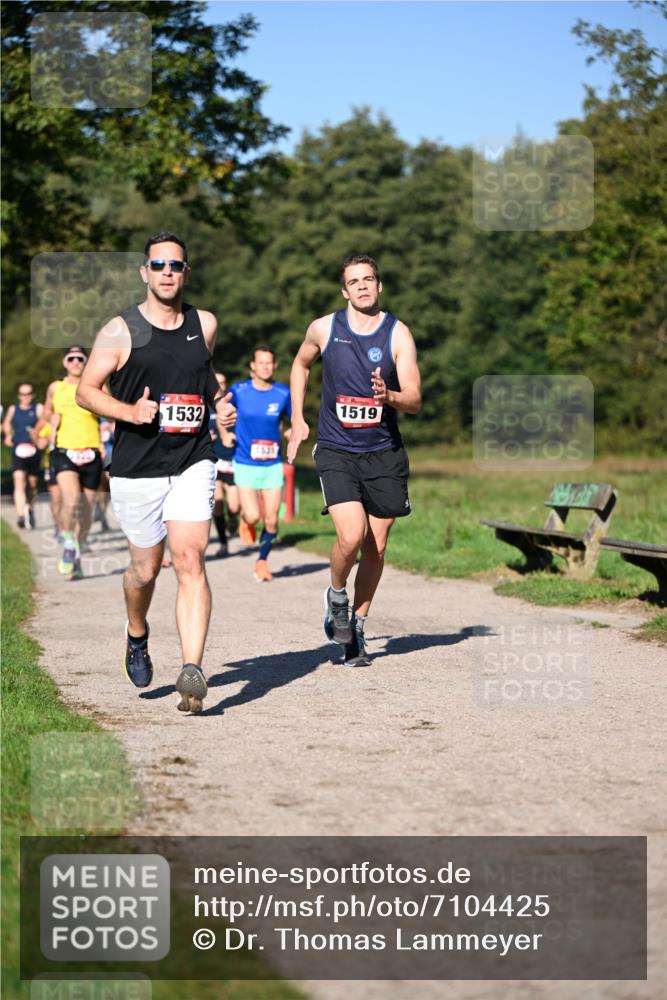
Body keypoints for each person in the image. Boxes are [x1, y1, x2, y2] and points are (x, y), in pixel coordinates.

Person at [76, 231, 236, 714]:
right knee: (144, 570)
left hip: (193, 457)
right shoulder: (120, 330)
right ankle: (137, 633)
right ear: (145, 272)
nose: (168, 272)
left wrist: (220, 405)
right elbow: (87, 391)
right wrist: (130, 413)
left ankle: (192, 670)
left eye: (176, 265)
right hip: (137, 464)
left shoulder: (203, 323)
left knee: (190, 559)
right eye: (159, 265)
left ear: (186, 272)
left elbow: (203, 378)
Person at [288, 254, 421, 666]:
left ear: (379, 286)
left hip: (384, 452)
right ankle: (337, 595)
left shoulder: (398, 334)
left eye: (369, 279)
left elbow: (414, 397)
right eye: (354, 281)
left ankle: (357, 628)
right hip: (337, 448)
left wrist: (391, 397)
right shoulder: (324, 328)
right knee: (351, 536)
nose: (362, 286)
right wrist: (297, 418)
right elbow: (300, 364)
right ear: (344, 290)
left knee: (376, 546)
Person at [229, 346, 291, 582]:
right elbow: (224, 414)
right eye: (260, 363)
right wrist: (225, 434)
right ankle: (245, 522)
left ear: (274, 366)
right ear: (252, 367)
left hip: (272, 463)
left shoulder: (282, 393)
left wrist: (293, 433)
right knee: (254, 515)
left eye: (269, 363)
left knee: (272, 518)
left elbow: (290, 421)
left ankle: (262, 562)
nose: (265, 367)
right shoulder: (239, 391)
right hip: (245, 462)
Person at [43, 348, 103, 578]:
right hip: (64, 450)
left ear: (87, 362)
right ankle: (68, 542)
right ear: (64, 362)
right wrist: (51, 418)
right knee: (71, 501)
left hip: (90, 451)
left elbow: (108, 408)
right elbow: (47, 411)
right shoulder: (55, 387)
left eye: (81, 358)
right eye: (72, 358)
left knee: (86, 512)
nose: (76, 362)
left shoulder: (95, 385)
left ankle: (76, 552)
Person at [2, 382, 43, 529]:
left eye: (29, 393)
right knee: (19, 481)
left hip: (34, 450)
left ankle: (29, 510)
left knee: (32, 485)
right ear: (19, 396)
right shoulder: (14, 409)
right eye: (23, 394)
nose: (26, 397)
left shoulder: (38, 408)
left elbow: (45, 423)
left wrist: (39, 436)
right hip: (18, 450)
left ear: (33, 394)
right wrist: (7, 435)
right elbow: (6, 423)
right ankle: (20, 515)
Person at [208, 371, 240, 557]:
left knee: (234, 506)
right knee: (218, 504)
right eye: (216, 382)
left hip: (233, 460)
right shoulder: (206, 406)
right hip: (214, 459)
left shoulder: (233, 405)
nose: (219, 385)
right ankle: (223, 543)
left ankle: (234, 518)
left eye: (222, 382)